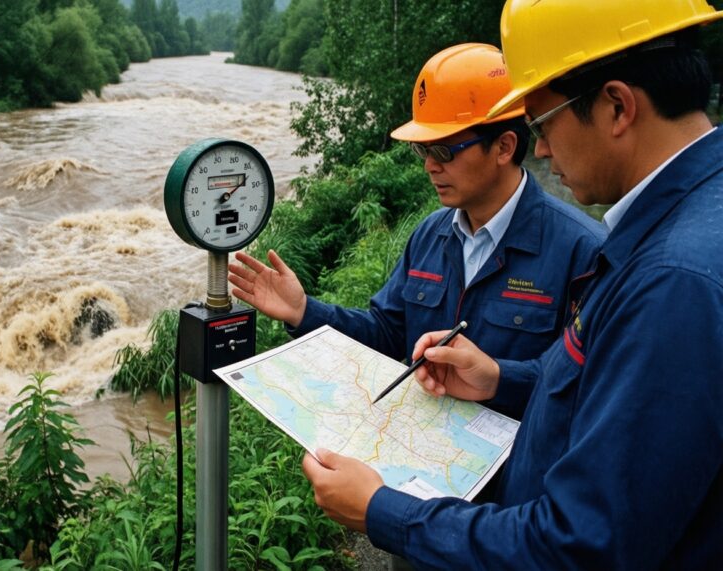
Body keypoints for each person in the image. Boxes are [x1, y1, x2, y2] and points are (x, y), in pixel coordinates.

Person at [301, 1, 723, 568]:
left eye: (544, 124)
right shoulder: (678, 229)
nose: (541, 149)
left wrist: (381, 510)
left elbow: (581, 545)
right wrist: (497, 378)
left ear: (617, 106)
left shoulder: (672, 280)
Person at [229, 43, 604, 416]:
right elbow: (386, 333)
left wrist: (498, 377)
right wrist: (304, 310)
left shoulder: (583, 251)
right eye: (422, 151)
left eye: (442, 152)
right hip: (426, 466)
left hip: (515, 472)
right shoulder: (430, 234)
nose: (429, 166)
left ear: (504, 147)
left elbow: (587, 385)